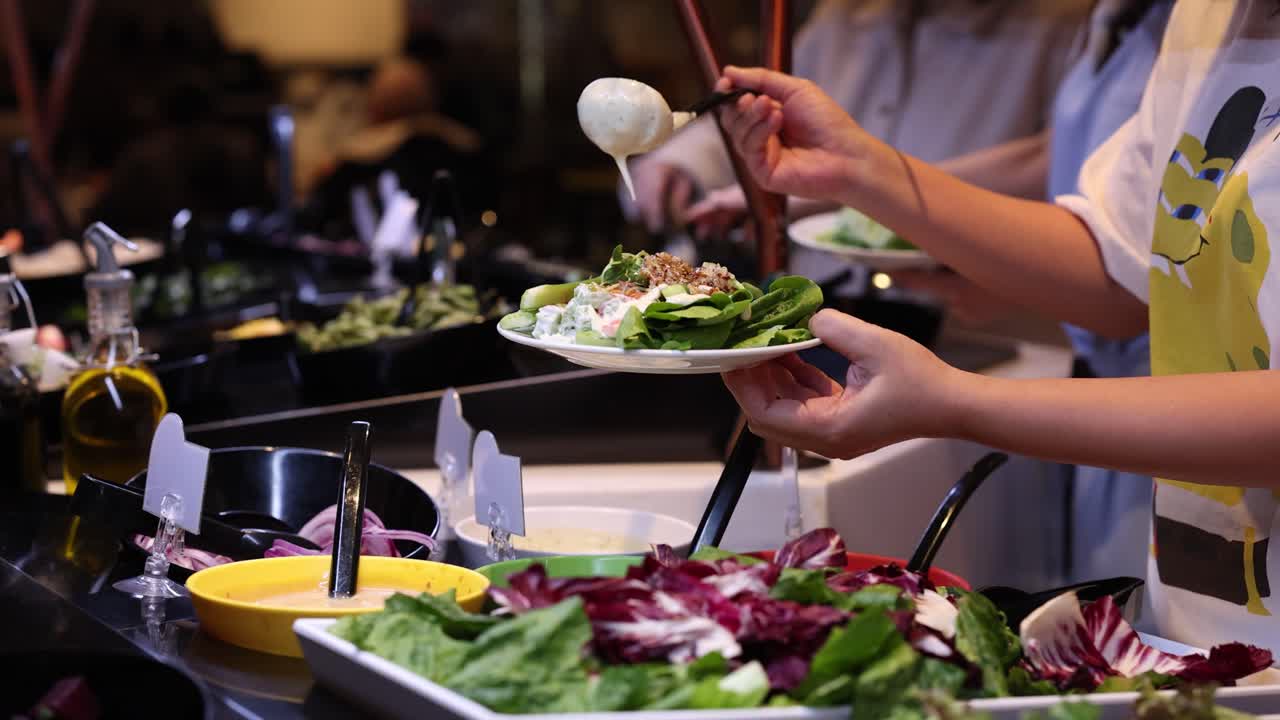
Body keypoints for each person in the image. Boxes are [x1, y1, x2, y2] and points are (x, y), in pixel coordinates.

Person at [712, 0, 1280, 653]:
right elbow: (1118, 262)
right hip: (1201, 627)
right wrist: (857, 170)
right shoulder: (1206, 18)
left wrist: (956, 402)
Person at [627, 0, 1089, 248]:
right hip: (829, 301)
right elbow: (764, 114)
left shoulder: (1069, 21)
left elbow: (1050, 162)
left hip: (994, 314)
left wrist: (826, 193)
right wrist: (682, 162)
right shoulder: (847, 15)